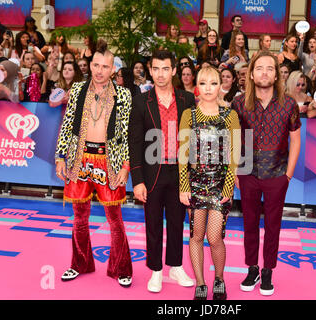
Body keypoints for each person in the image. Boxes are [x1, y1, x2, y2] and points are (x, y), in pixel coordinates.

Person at [54, 40, 133, 288]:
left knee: (115, 219)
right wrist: (59, 156)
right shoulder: (77, 89)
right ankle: (80, 263)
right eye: (95, 65)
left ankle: (121, 268)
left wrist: (125, 165)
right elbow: (67, 125)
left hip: (109, 160)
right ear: (90, 65)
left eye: (105, 66)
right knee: (79, 218)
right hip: (80, 159)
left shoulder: (123, 94)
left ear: (113, 69)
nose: (99, 70)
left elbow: (126, 132)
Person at [232, 50, 301, 296]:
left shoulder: (289, 104)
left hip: (277, 173)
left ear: (276, 75)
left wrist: (288, 175)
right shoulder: (239, 103)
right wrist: (236, 172)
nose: (264, 72)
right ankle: (252, 269)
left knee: (273, 226)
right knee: (249, 224)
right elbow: (234, 138)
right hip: (248, 173)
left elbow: (295, 140)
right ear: (251, 74)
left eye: (269, 68)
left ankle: (268, 271)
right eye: (259, 68)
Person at [128, 50, 195, 293]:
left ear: (174, 70)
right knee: (153, 223)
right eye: (155, 69)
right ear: (150, 70)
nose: (160, 74)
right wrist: (137, 181)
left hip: (180, 172)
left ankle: (176, 267)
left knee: (178, 222)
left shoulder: (187, 99)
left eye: (165, 69)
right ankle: (156, 270)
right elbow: (134, 142)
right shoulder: (140, 101)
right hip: (151, 171)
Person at [178, 66, 240, 300]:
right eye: (203, 83)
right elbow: (183, 153)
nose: (208, 88)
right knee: (195, 236)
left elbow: (234, 155)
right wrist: (183, 186)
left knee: (215, 237)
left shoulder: (229, 115)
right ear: (197, 86)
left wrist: (228, 186)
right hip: (194, 184)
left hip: (219, 184)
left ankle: (220, 278)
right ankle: (201, 283)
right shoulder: (189, 115)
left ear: (220, 87)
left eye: (213, 83)